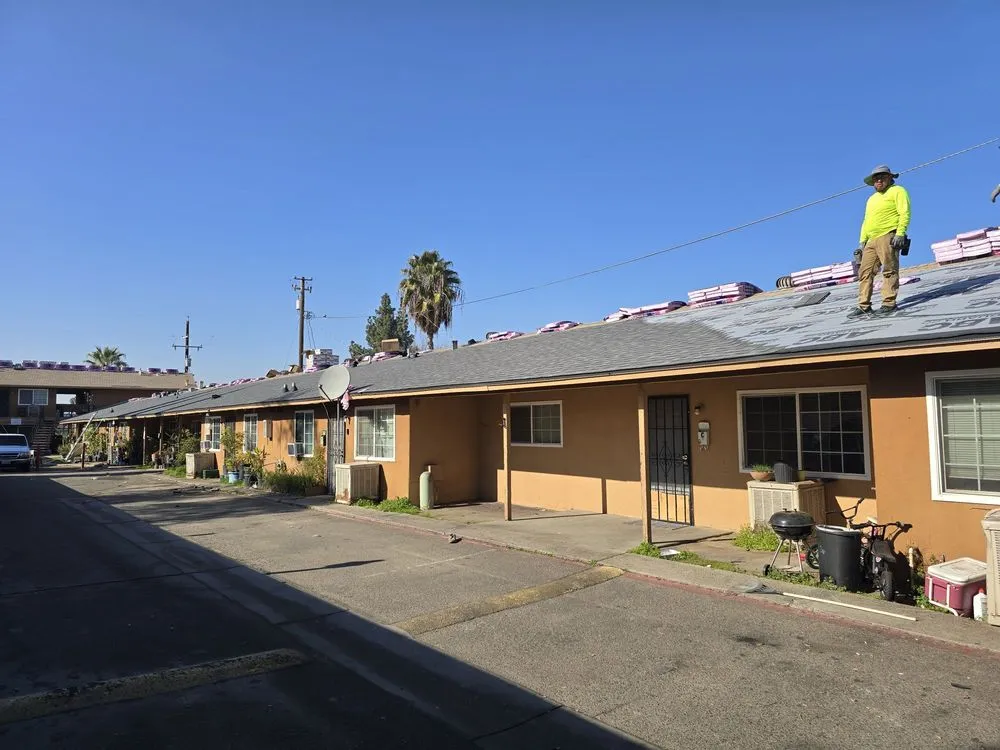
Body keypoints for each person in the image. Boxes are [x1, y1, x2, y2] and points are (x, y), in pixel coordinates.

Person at [849, 164, 911, 317]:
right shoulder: (871, 199)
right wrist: (862, 240)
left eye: (882, 177)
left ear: (890, 178)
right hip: (871, 239)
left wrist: (900, 233)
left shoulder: (898, 191)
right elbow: (866, 220)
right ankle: (864, 305)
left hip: (888, 235)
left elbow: (904, 212)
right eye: (876, 179)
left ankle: (888, 303)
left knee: (889, 269)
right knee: (865, 272)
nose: (878, 181)